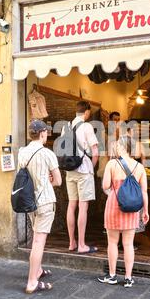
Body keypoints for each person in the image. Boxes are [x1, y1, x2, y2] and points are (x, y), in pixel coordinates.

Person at [98, 136, 149, 288]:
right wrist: (145, 210)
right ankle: (128, 278)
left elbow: (106, 185)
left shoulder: (112, 164)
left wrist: (113, 189)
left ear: (121, 147)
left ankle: (112, 275)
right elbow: (144, 191)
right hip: (132, 208)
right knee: (128, 244)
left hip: (114, 204)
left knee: (112, 242)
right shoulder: (139, 167)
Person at [18, 120, 62, 294]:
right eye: (46, 133)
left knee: (36, 238)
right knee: (38, 241)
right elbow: (58, 181)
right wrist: (48, 180)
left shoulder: (22, 152)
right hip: (44, 201)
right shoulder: (47, 153)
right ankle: (32, 282)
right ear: (43, 133)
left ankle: (37, 270)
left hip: (30, 202)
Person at [65, 101, 99, 254]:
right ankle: (82, 245)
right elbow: (95, 151)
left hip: (69, 170)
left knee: (71, 205)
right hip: (84, 170)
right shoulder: (87, 126)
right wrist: (91, 167)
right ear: (86, 112)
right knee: (83, 208)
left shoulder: (66, 127)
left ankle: (72, 242)